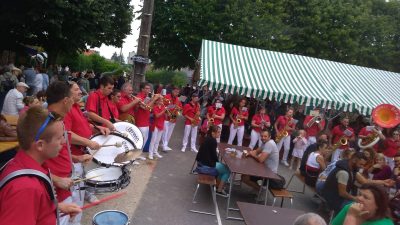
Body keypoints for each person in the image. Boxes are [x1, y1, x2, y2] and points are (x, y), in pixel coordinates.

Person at [0, 107, 81, 224]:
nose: (63, 142)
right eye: (59, 138)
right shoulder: (26, 188)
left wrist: (55, 207)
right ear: (40, 145)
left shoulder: (23, 164)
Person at [64, 81, 110, 205]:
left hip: (82, 154)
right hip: (74, 158)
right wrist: (88, 142)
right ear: (67, 93)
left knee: (84, 180)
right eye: (76, 89)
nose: (80, 91)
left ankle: (87, 193)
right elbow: (65, 134)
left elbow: (83, 124)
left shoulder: (76, 106)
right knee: (75, 195)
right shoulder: (67, 109)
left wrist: (97, 128)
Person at [42, 81, 80, 225]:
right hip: (53, 189)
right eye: (72, 98)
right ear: (65, 100)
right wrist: (57, 179)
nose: (63, 141)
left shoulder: (57, 120)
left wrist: (76, 157)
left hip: (65, 183)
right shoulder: (44, 123)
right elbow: (29, 162)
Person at [321, 152, 393, 214]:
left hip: (336, 196)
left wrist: (383, 182)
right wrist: (356, 198)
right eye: (361, 164)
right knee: (359, 209)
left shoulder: (350, 167)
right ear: (354, 160)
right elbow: (342, 193)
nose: (362, 167)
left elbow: (365, 181)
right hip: (333, 198)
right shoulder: (344, 172)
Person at [195, 125, 230, 196]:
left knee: (222, 167)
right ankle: (219, 190)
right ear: (213, 133)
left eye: (220, 132)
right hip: (206, 165)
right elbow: (214, 157)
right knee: (227, 170)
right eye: (218, 132)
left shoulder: (208, 138)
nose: (220, 134)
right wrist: (218, 161)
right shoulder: (213, 141)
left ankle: (218, 185)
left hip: (201, 162)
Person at [134, 82, 160, 157]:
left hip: (146, 121)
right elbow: (146, 107)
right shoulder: (139, 97)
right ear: (142, 89)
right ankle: (134, 156)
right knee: (140, 140)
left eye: (149, 88)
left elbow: (150, 108)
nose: (149, 90)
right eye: (147, 88)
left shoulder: (147, 97)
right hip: (140, 122)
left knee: (145, 139)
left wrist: (154, 101)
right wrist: (154, 99)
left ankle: (138, 155)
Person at [162, 86, 183, 150]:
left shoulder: (178, 99)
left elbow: (181, 108)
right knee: (165, 132)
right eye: (176, 92)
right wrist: (168, 110)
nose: (177, 93)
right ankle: (164, 146)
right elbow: (162, 105)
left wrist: (179, 108)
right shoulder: (167, 97)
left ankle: (166, 144)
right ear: (172, 91)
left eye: (178, 92)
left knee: (170, 132)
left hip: (173, 116)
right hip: (166, 116)